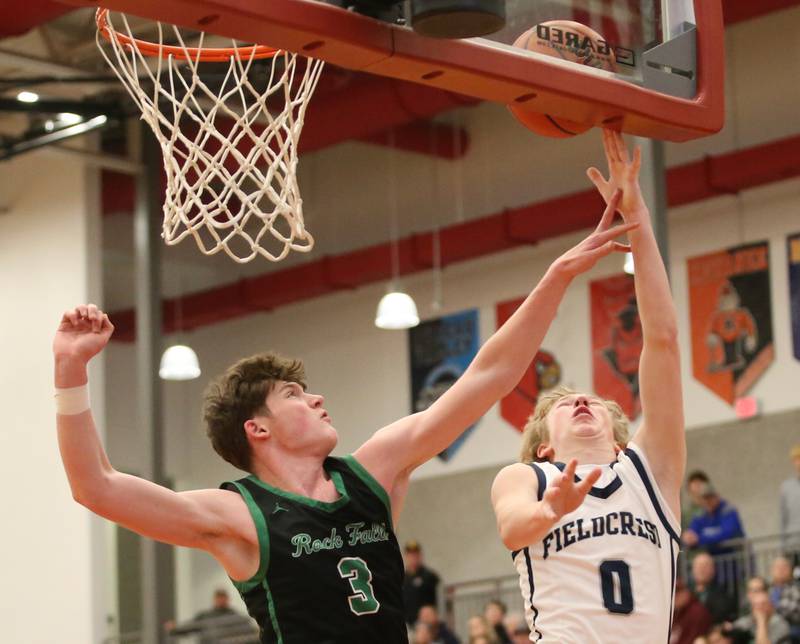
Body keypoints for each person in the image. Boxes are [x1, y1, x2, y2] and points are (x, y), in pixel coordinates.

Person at [54, 193, 633, 642]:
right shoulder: (239, 515)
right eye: (293, 396)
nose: (315, 400)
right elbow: (95, 486)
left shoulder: (373, 471)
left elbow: (487, 376)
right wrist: (70, 371)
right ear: (257, 429)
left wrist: (556, 278)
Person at [491, 130, 684, 643]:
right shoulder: (525, 478)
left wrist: (637, 220)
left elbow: (662, 340)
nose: (581, 400)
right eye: (562, 405)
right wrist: (552, 508)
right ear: (544, 445)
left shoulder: (651, 472)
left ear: (619, 439)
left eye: (594, 401)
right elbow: (513, 528)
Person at [683, 483, 746, 598]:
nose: (707, 501)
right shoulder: (701, 514)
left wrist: (700, 539)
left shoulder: (728, 510)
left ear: (717, 496)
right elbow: (692, 533)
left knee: (732, 595)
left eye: (710, 497)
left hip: (732, 563)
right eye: (704, 498)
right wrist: (689, 536)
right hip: (712, 566)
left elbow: (726, 534)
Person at [166, 589, 257, 643]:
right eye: (219, 598)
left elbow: (250, 632)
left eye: (223, 598)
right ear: (215, 599)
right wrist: (175, 629)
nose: (221, 600)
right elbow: (191, 626)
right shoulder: (205, 616)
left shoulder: (235, 617)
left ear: (227, 599)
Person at [691, 552, 738, 625]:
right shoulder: (686, 593)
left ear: (713, 570)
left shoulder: (723, 594)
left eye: (705, 566)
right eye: (698, 566)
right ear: (693, 570)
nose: (701, 569)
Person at [403, 540, 440, 625]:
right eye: (411, 555)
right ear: (406, 556)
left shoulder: (430, 576)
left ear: (420, 555)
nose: (413, 557)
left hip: (426, 625)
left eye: (416, 554)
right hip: (407, 624)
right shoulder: (402, 578)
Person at [671, 578, 713, 644]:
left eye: (678, 593)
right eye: (674, 595)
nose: (676, 597)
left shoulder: (697, 612)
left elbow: (693, 639)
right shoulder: (677, 612)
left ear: (686, 592)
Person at [769, 556, 800, 638]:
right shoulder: (767, 589)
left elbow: (797, 612)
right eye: (778, 567)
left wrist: (775, 605)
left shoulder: (796, 589)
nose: (781, 570)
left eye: (784, 567)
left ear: (790, 570)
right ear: (771, 570)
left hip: (791, 631)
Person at [780, 445, 800, 567]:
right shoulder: (786, 487)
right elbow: (783, 517)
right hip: (794, 544)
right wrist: (784, 546)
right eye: (796, 459)